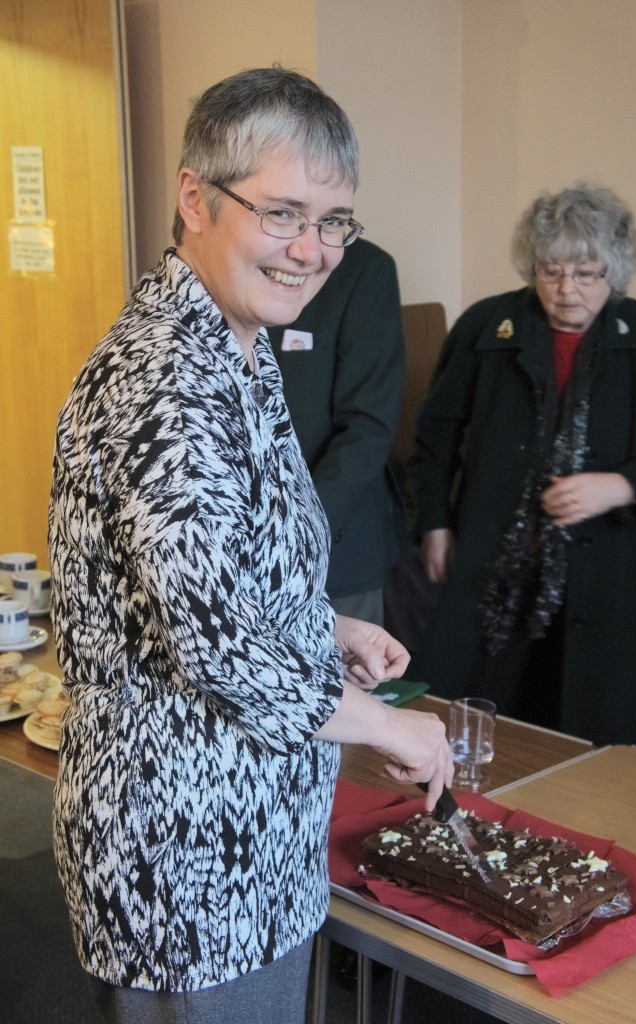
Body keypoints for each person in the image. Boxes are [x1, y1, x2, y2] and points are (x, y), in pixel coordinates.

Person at [48, 67, 452, 1024]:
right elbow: (217, 647)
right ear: (195, 197)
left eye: (334, 221)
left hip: (251, 840)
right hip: (189, 863)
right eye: (282, 213)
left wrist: (322, 623)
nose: (311, 250)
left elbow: (218, 573)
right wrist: (390, 724)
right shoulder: (166, 378)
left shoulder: (240, 342)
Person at [408, 181, 636, 749]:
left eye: (587, 274)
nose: (567, 290)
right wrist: (434, 524)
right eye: (552, 271)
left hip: (608, 570)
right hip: (494, 562)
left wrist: (622, 485)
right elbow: (434, 437)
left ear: (616, 271)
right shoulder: (487, 327)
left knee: (592, 729)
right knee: (470, 722)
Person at [269, 237, 407, 625]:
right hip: (235, 549)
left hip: (335, 541)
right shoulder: (244, 261)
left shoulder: (365, 268)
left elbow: (369, 427)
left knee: (343, 681)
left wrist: (296, 530)